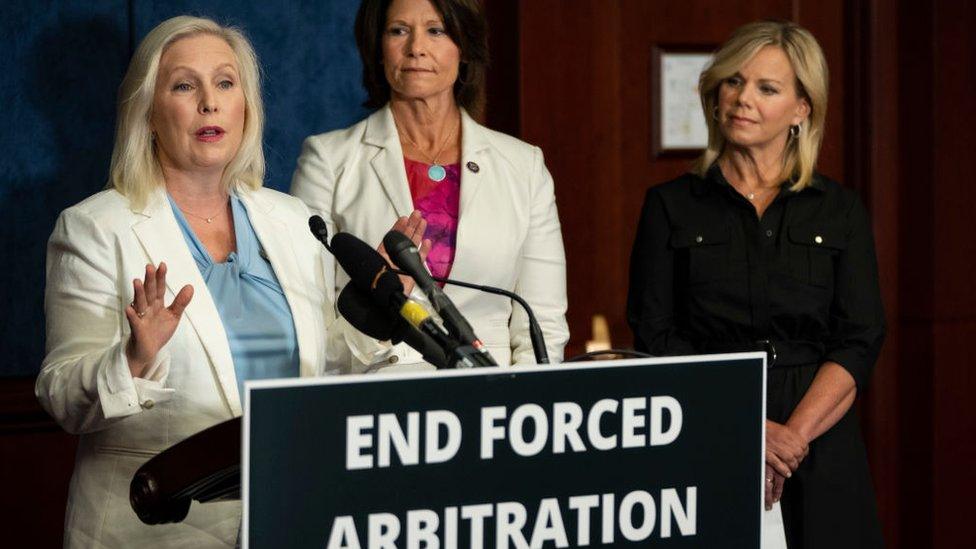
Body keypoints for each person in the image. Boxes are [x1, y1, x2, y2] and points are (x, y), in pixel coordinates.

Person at [36, 16, 340, 547]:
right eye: (184, 85)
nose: (210, 102)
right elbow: (62, 396)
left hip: (290, 513)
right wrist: (131, 359)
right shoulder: (93, 227)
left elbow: (330, 364)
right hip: (157, 527)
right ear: (149, 113)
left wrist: (381, 309)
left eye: (225, 83)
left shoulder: (294, 220)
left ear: (246, 105)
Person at [627, 21, 885, 548]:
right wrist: (745, 424)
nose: (743, 98)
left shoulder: (840, 209)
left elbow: (859, 338)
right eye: (733, 82)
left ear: (801, 109)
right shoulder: (670, 205)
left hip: (817, 439)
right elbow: (655, 335)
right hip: (707, 425)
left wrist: (790, 438)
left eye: (767, 88)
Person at [291, 0, 569, 371]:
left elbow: (542, 321)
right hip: (376, 389)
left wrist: (521, 409)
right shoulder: (328, 160)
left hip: (493, 393)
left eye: (435, 30)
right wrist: (376, 312)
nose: (416, 47)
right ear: (377, 47)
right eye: (398, 31)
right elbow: (307, 320)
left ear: (465, 47)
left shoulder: (524, 165)